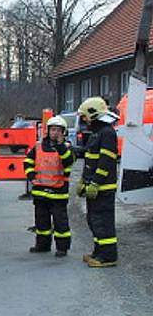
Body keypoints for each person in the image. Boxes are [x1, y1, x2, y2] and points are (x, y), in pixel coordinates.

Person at [77, 97, 120, 268]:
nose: (84, 120)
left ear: (93, 114)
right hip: (95, 186)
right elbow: (90, 160)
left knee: (103, 221)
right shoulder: (97, 133)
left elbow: (105, 161)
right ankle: (99, 251)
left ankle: (108, 256)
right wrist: (83, 181)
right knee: (94, 220)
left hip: (103, 188)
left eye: (85, 116)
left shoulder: (107, 133)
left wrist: (95, 183)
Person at [24, 115, 74, 257]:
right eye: (53, 130)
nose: (55, 133)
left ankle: (62, 248)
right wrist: (31, 176)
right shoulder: (38, 146)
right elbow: (28, 161)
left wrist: (60, 146)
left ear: (63, 132)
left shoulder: (67, 148)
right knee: (42, 223)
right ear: (48, 131)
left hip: (58, 192)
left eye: (58, 130)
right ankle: (42, 245)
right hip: (40, 192)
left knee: (61, 223)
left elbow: (68, 162)